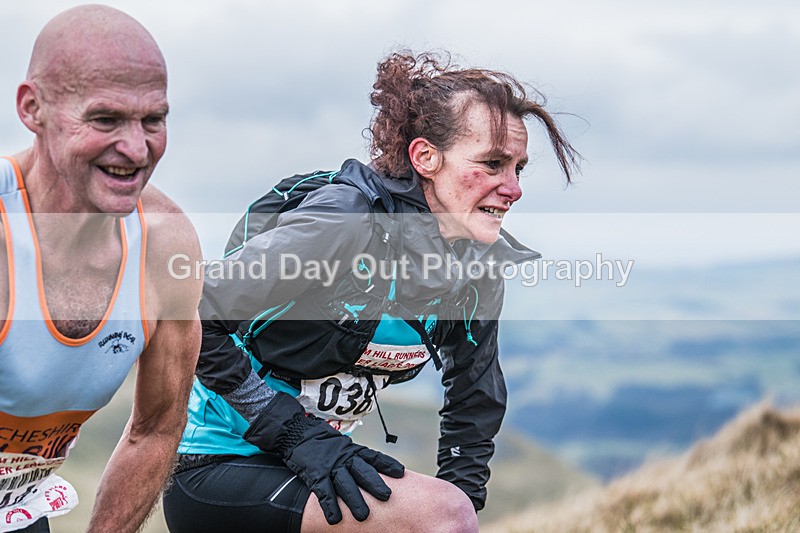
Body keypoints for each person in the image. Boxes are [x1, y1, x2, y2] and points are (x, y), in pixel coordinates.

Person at [163, 51, 578, 532]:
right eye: (491, 164)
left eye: (518, 169)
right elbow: (192, 314)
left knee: (449, 513)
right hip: (217, 469)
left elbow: (474, 395)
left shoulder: (476, 265)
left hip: (313, 468)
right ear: (426, 157)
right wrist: (296, 433)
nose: (513, 188)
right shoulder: (347, 221)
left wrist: (458, 500)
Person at [0, 5, 202, 532]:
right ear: (32, 108)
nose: (136, 149)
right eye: (105, 119)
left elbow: (157, 428)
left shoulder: (165, 243)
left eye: (153, 120)